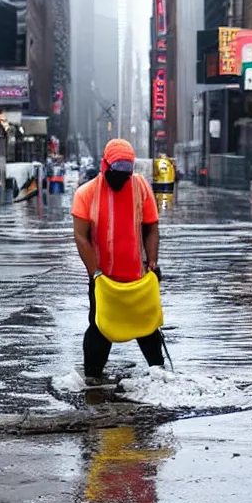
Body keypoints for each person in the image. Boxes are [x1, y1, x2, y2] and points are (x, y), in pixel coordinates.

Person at [71, 139, 164, 385]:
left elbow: (151, 227)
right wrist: (95, 273)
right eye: (117, 172)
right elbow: (81, 236)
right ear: (105, 166)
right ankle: (92, 379)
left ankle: (161, 376)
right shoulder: (86, 193)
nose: (122, 179)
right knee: (100, 328)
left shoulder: (141, 187)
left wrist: (152, 262)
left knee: (148, 328)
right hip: (103, 279)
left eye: (127, 173)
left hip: (137, 278)